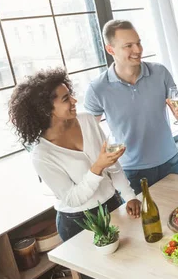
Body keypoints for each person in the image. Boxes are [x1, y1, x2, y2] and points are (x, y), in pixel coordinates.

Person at [8, 68, 140, 242]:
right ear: (45, 109)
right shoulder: (42, 155)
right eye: (65, 99)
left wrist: (129, 195)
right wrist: (98, 166)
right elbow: (72, 198)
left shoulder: (86, 120)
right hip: (79, 222)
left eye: (70, 94)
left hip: (113, 204)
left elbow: (113, 164)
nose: (74, 100)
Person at [84, 20, 178, 195]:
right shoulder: (97, 88)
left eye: (138, 43)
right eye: (128, 46)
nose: (138, 50)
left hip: (170, 162)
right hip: (131, 172)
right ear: (110, 50)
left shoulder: (160, 72)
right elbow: (89, 134)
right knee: (143, 221)